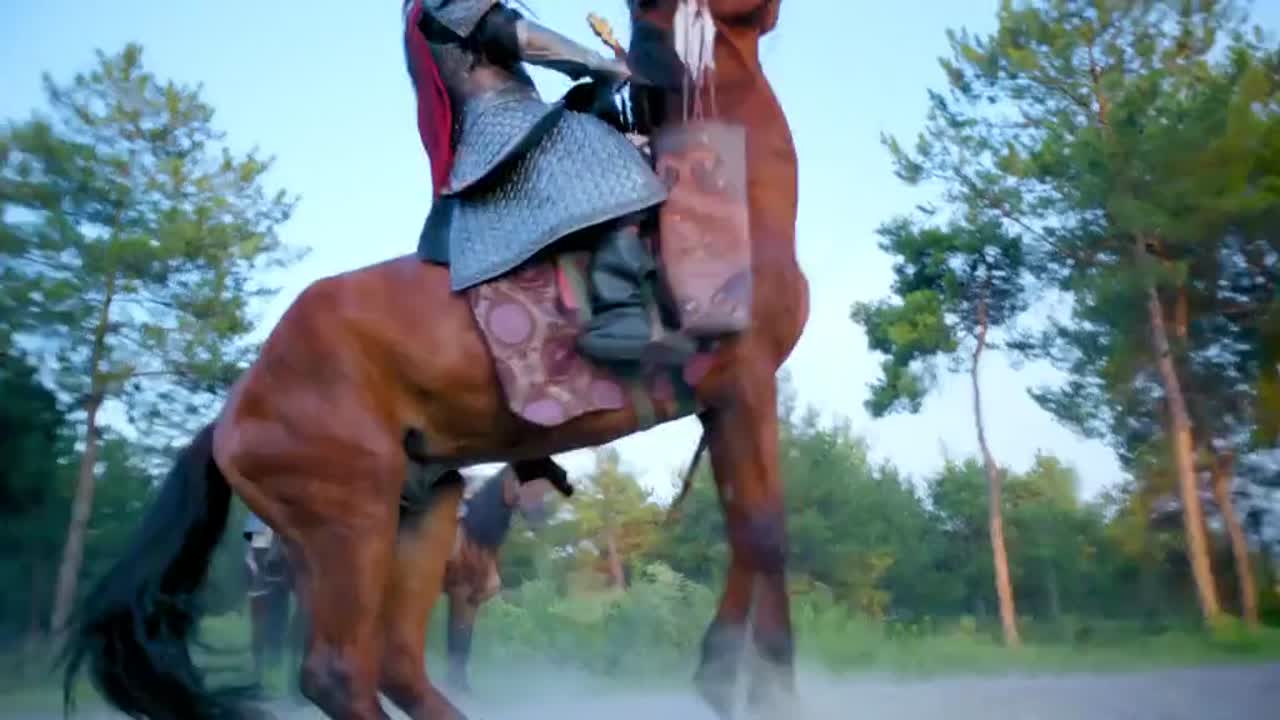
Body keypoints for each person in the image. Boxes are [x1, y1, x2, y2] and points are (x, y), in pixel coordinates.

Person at [402, 0, 695, 365]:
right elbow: (518, 36)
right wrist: (605, 65)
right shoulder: (454, 3)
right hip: (503, 123)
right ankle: (621, 311)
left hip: (498, 124)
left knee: (601, 121)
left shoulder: (426, 10)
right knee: (616, 161)